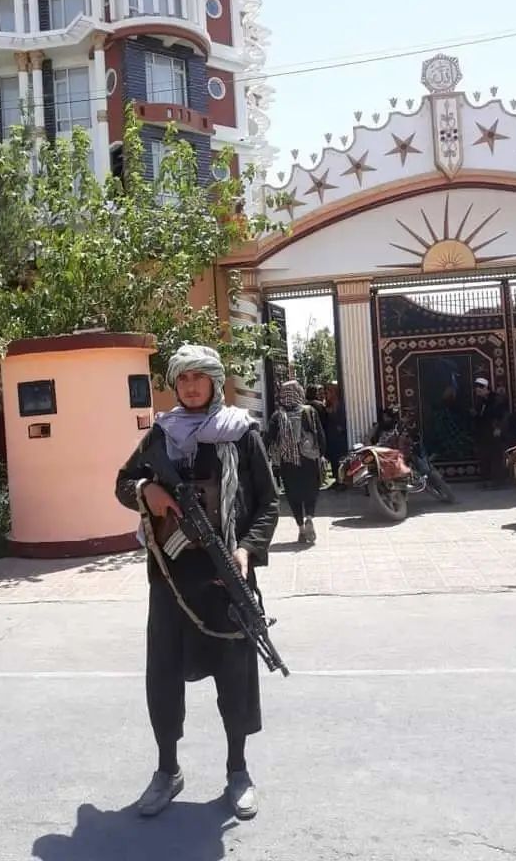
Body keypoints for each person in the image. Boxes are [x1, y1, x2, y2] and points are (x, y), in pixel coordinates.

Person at [115, 344, 278, 821]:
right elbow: (123, 483)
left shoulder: (241, 432)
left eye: (198, 378)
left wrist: (246, 549)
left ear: (215, 382)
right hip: (171, 577)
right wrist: (147, 489)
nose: (190, 387)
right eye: (182, 379)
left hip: (227, 575)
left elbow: (268, 502)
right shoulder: (160, 435)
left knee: (235, 675)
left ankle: (237, 770)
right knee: (164, 675)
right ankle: (167, 770)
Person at [265, 380, 325, 544]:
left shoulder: (277, 415)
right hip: (309, 459)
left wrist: (267, 459)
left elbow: (268, 439)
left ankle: (301, 528)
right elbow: (320, 435)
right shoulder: (309, 411)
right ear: (299, 392)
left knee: (293, 495)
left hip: (288, 462)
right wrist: (321, 454)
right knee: (311, 491)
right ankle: (309, 517)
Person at [472, 377, 509, 487]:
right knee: (484, 456)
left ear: (486, 388)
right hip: (483, 432)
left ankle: (498, 481)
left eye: (480, 388)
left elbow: (502, 416)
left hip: (494, 431)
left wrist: (499, 428)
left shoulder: (497, 400)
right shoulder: (480, 401)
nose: (477, 390)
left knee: (496, 455)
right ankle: (487, 480)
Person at [324, 382, 347, 485]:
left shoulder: (340, 405)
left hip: (338, 437)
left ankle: (341, 481)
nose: (326, 394)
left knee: (339, 459)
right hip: (331, 437)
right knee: (333, 459)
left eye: (328, 391)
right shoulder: (328, 404)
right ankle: (336, 480)